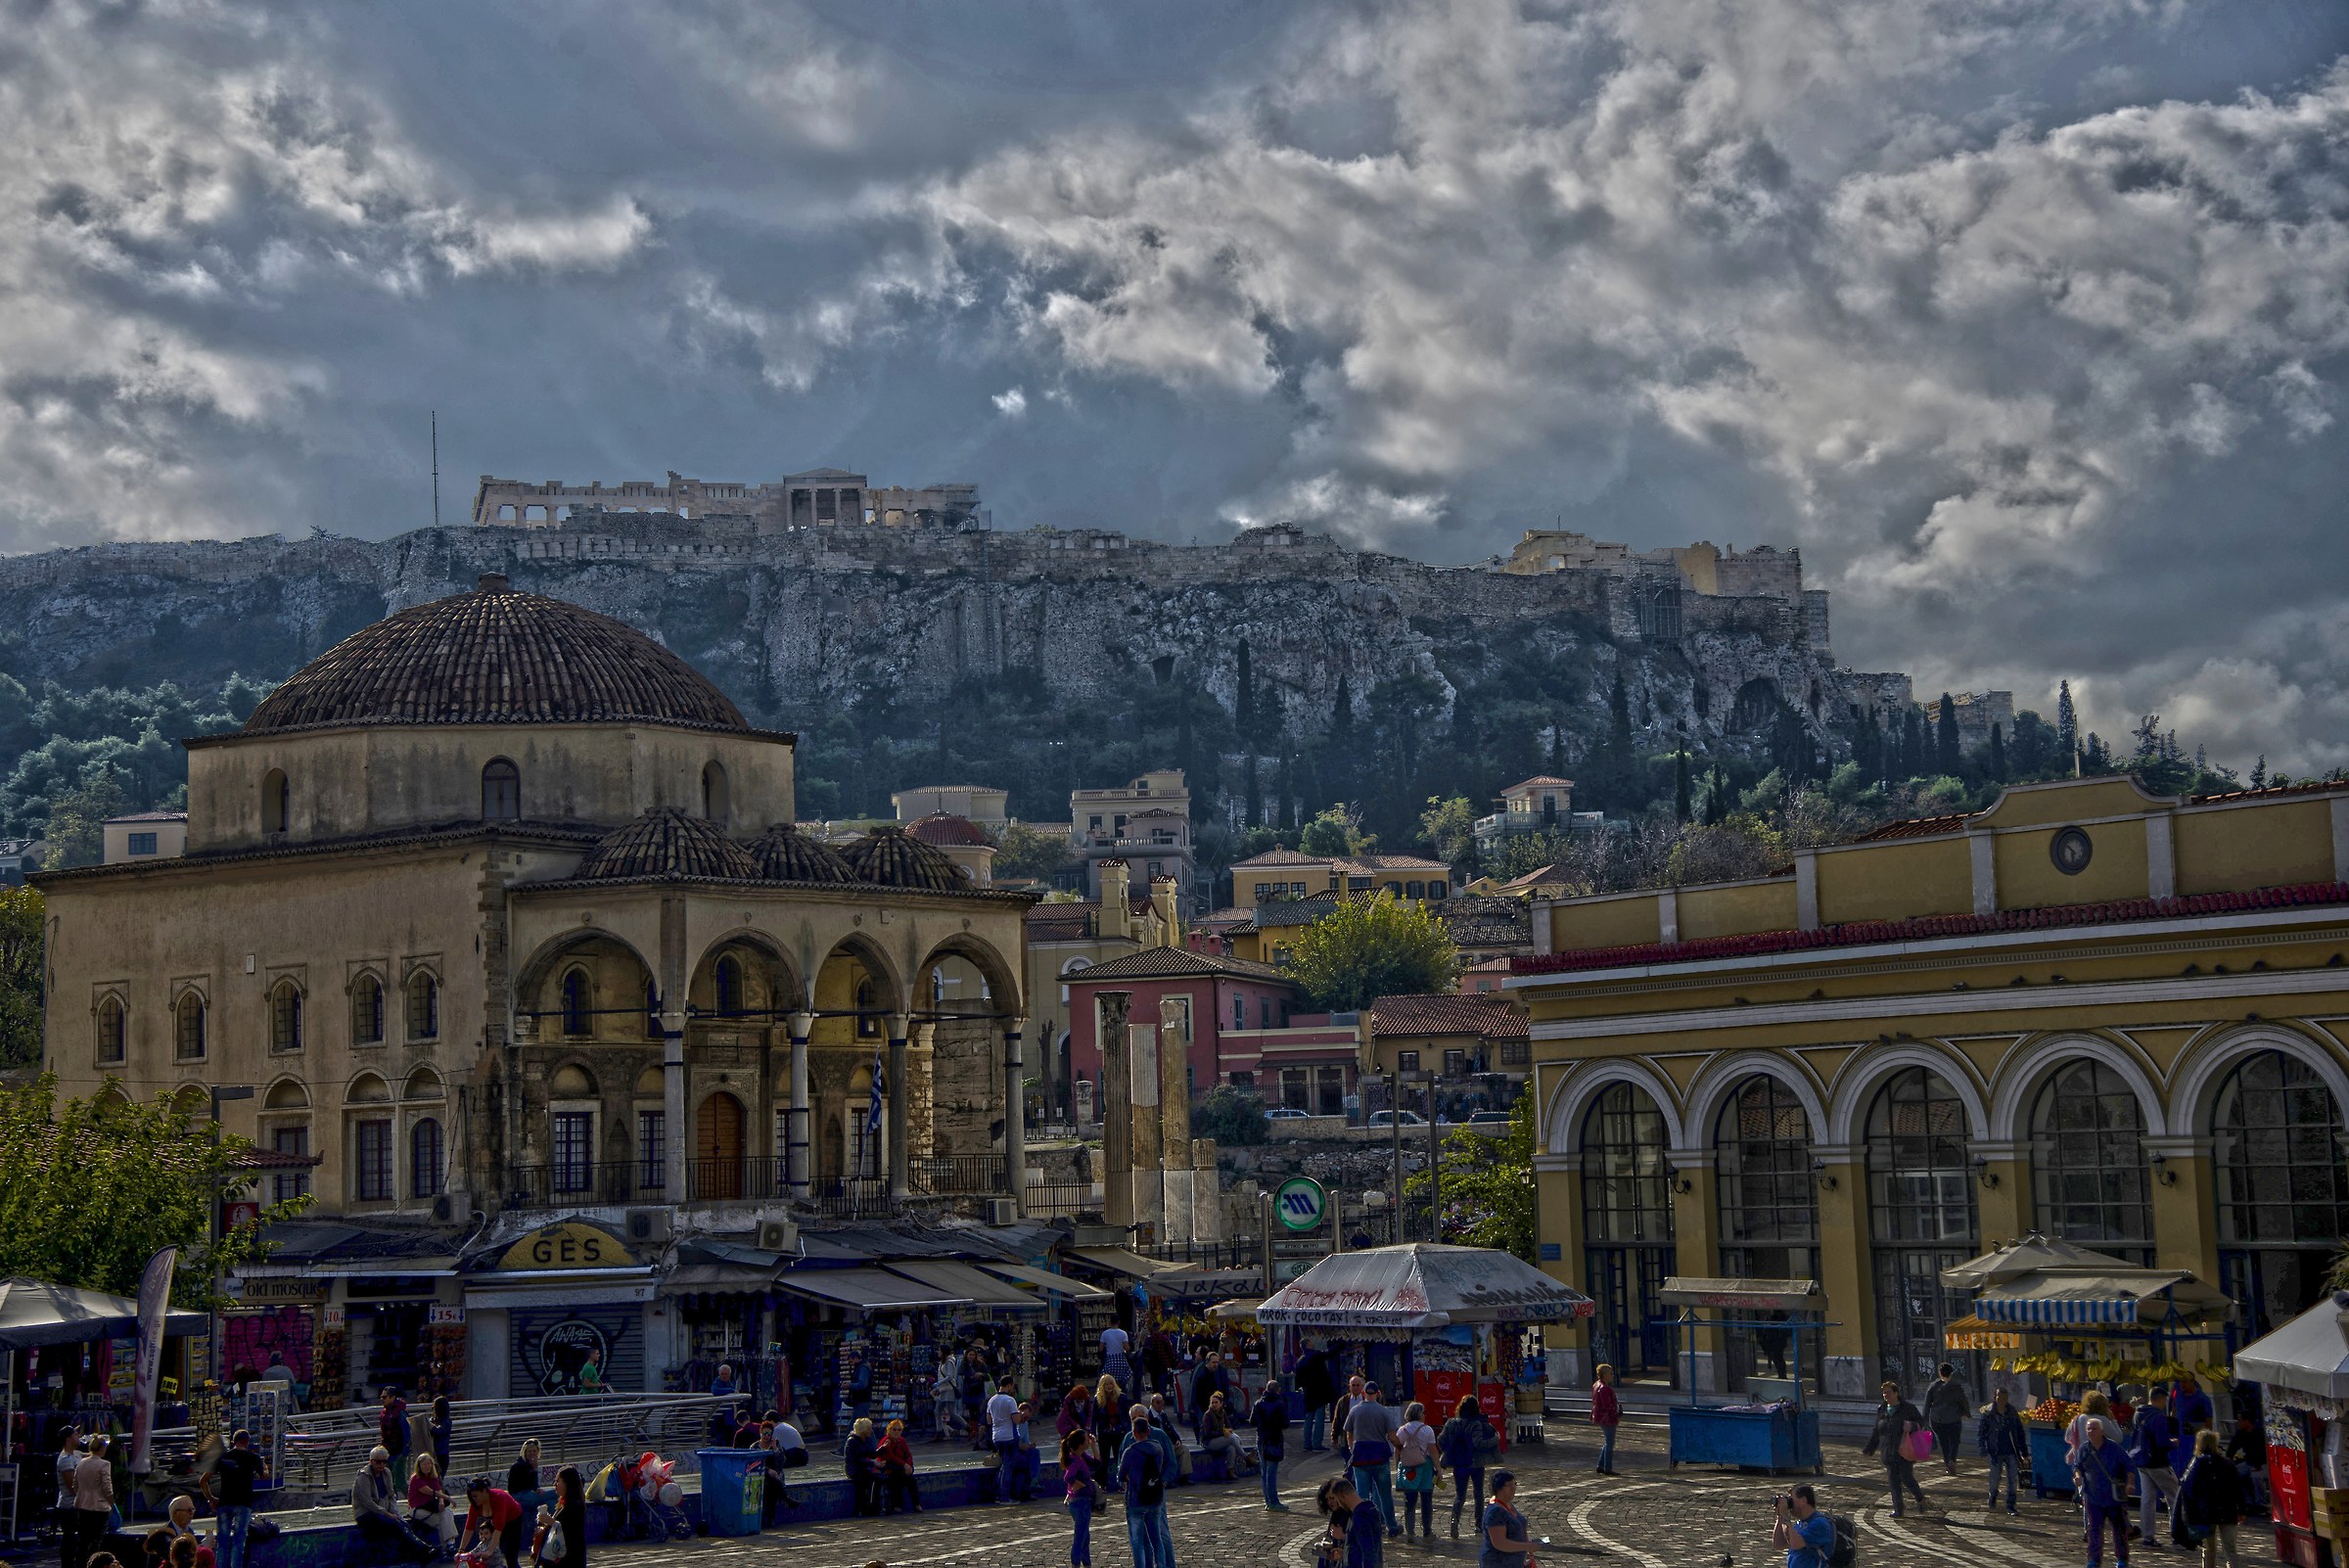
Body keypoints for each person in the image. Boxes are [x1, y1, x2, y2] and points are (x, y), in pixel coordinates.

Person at [351, 1447, 435, 1563]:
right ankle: (421, 1547)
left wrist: (394, 1512)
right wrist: (387, 1514)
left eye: (384, 1462)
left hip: (384, 1512)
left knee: (402, 1523)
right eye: (378, 1462)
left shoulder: (386, 1473)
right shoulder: (363, 1476)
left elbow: (391, 1495)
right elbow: (367, 1502)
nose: (381, 1465)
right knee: (394, 1524)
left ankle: (420, 1551)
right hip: (366, 1513)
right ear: (371, 1461)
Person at [1861, 1380, 1931, 1516]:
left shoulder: (1908, 1408)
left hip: (1905, 1450)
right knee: (1893, 1482)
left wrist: (1912, 1425)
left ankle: (1920, 1499)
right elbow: (1877, 1430)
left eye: (1888, 1392)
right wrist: (1869, 1448)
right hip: (1888, 1451)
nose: (1885, 1395)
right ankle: (1898, 1509)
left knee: (1906, 1477)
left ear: (1896, 1393)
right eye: (1883, 1393)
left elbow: (1921, 1423)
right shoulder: (1882, 1409)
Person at [2074, 1415, 2137, 1567]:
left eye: (2094, 1428)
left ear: (2102, 1431)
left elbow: (2129, 1465)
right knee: (2094, 1529)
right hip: (2093, 1496)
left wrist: (2130, 1483)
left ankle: (2122, 1559)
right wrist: (2077, 1477)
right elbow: (2077, 1467)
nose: (2090, 1431)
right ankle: (2093, 1560)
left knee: (2119, 1530)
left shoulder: (2114, 1448)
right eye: (2088, 1428)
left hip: (2113, 1497)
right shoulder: (2084, 1448)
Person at [2179, 1427, 2245, 1567]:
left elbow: (2188, 1487)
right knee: (2230, 1550)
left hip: (2206, 1512)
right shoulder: (2227, 1463)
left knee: (2209, 1550)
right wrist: (2242, 1510)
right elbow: (2238, 1488)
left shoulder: (2197, 1463)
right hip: (2228, 1510)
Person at [1118, 1410, 1175, 1568]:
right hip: (1154, 1496)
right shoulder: (1157, 1447)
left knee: (1138, 1540)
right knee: (1156, 1536)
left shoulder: (1131, 1450)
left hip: (1136, 1499)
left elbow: (1120, 1475)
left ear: (1135, 1431)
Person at [204, 1428, 266, 1568]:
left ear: (233, 1442)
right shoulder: (253, 1458)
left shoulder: (223, 1458)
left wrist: (211, 1498)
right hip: (244, 1504)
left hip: (224, 1503)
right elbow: (264, 1477)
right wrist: (265, 1468)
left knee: (222, 1542)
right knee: (239, 1541)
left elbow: (203, 1480)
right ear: (248, 1442)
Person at [1345, 1378, 1400, 1539]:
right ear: (1377, 1394)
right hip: (1379, 1455)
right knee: (1384, 1495)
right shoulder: (1384, 1411)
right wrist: (1400, 1447)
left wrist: (1351, 1448)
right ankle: (1391, 1525)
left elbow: (1349, 1433)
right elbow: (1392, 1436)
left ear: (1363, 1393)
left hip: (1360, 1455)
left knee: (1362, 1495)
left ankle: (1364, 1525)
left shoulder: (1355, 1411)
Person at [1437, 1395, 1496, 1540]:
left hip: (1459, 1463)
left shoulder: (1451, 1423)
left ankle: (1454, 1520)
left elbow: (1441, 1440)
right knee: (1478, 1493)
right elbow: (1479, 1443)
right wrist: (1495, 1439)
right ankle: (1478, 1524)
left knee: (1460, 1495)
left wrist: (1449, 1451)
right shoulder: (1476, 1424)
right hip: (1475, 1463)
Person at [2129, 1385, 2178, 1554]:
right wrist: (2173, 1443)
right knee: (2174, 1496)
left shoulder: (2138, 1413)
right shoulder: (2158, 1417)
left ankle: (2148, 1536)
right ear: (2160, 1399)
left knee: (2147, 1499)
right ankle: (2177, 1534)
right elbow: (2162, 1442)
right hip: (2158, 1462)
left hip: (2141, 1461)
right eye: (2164, 1400)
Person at [1977, 1387, 2027, 1516]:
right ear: (1995, 1397)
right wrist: (1982, 1448)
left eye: (2004, 1398)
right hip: (1995, 1451)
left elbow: (2020, 1432)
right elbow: (1981, 1433)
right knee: (1995, 1477)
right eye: (1999, 1398)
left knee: (2012, 1479)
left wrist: (2024, 1452)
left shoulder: (2011, 1412)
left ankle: (2011, 1505)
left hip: (2011, 1450)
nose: (2002, 1401)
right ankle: (1992, 1495)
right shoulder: (1988, 1413)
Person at [459, 1475, 527, 1568]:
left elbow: (499, 1527)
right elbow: (469, 1527)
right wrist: (461, 1551)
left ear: (484, 1491)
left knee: (511, 1556)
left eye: (475, 1496)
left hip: (514, 1520)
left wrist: (490, 1550)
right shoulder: (476, 1504)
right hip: (497, 1522)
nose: (474, 1499)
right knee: (501, 1549)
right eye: (472, 1497)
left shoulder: (499, 1498)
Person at [1393, 1402, 1437, 1543]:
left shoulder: (1402, 1430)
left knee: (1409, 1501)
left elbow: (1397, 1450)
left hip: (1408, 1468)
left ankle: (1410, 1532)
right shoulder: (1427, 1430)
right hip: (1425, 1467)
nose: (1425, 1415)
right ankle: (1427, 1532)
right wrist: (1439, 1469)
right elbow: (1433, 1451)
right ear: (1419, 1414)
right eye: (1424, 1412)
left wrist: (1397, 1466)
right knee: (1426, 1501)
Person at [69, 1434, 115, 1568]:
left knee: (82, 1541)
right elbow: (107, 1488)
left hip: (82, 1505)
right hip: (99, 1507)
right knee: (96, 1541)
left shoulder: (82, 1462)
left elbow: (75, 1485)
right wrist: (111, 1503)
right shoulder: (104, 1464)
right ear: (102, 1448)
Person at [1320, 1474, 1384, 1568]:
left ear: (1342, 1496)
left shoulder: (1360, 1518)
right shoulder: (1369, 1511)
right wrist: (1345, 1554)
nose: (1340, 1506)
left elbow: (1368, 1553)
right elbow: (1358, 1548)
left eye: (1337, 1500)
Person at [1061, 1429, 1103, 1568]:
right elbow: (1068, 1477)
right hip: (1080, 1502)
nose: (1088, 1440)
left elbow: (1097, 1464)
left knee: (1085, 1536)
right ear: (1080, 1444)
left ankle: (1087, 1563)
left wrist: (1093, 1445)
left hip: (1082, 1501)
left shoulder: (1081, 1456)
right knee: (1080, 1536)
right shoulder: (1075, 1460)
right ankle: (1075, 1563)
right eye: (1086, 1439)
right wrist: (1080, 1484)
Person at [1772, 1484, 1836, 1568]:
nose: (1789, 1503)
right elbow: (1778, 1544)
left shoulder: (1819, 1523)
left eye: (1791, 1499)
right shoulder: (1800, 1524)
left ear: (1803, 1500)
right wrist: (1780, 1517)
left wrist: (1785, 1515)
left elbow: (1796, 1544)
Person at [1480, 1469, 1534, 1568]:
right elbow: (1500, 1543)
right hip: (1498, 1563)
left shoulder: (1508, 1504)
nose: (1513, 1488)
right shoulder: (1495, 1512)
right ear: (1499, 1488)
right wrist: (1526, 1546)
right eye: (1509, 1485)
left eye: (1514, 1484)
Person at [1252, 1377, 1292, 1512]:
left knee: (1264, 1472)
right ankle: (1273, 1501)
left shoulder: (1258, 1403)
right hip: (1274, 1440)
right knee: (1271, 1472)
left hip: (1261, 1439)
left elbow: (1252, 1422)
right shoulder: (1279, 1404)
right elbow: (1286, 1423)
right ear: (1278, 1390)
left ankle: (1268, 1500)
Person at [1924, 1362, 1970, 1477]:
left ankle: (1947, 1464)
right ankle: (1952, 1461)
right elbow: (1963, 1400)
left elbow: (1927, 1404)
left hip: (1937, 1419)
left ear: (1940, 1373)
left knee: (1944, 1442)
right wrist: (1966, 1413)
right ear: (1951, 1373)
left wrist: (1924, 1419)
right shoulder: (1956, 1387)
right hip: (1953, 1418)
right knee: (1954, 1441)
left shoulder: (1933, 1386)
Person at [405, 1452, 459, 1550]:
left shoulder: (433, 1476)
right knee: (439, 1521)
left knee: (447, 1513)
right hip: (417, 1508)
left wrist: (441, 1502)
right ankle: (444, 1548)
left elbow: (438, 1490)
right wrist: (448, 1498)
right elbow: (430, 1492)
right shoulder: (416, 1479)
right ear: (419, 1466)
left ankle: (450, 1543)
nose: (427, 1466)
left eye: (429, 1464)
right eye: (424, 1464)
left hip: (430, 1506)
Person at [1294, 1341, 1337, 1453]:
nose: (1313, 1344)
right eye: (1310, 1343)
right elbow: (1329, 1354)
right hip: (1319, 1391)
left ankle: (1306, 1444)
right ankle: (1317, 1443)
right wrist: (1341, 1344)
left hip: (1308, 1392)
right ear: (1308, 1345)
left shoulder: (1300, 1361)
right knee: (1319, 1417)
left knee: (1308, 1418)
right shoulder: (1316, 1355)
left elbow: (1298, 1379)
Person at [988, 1379, 1024, 1501]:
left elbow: (988, 1420)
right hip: (1009, 1436)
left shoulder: (991, 1400)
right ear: (1009, 1386)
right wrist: (1020, 1414)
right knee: (1008, 1466)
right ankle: (1004, 1496)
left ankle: (997, 1493)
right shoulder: (1010, 1400)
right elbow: (1016, 1420)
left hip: (996, 1436)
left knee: (1003, 1465)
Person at [2223, 1412, 2268, 1508]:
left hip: (2263, 1464)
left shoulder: (2260, 1433)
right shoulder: (2241, 1433)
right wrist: (2228, 1462)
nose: (2238, 1422)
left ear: (2246, 1421)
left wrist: (2257, 1466)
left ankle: (2261, 1504)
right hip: (2249, 1462)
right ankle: (2247, 1501)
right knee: (2234, 1474)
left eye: (2240, 1420)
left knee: (2256, 1476)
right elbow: (2232, 1448)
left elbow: (2263, 1453)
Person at [844, 1417, 886, 1518]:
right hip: (854, 1469)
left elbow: (871, 1454)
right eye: (869, 1428)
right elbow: (857, 1459)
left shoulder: (867, 1439)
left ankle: (874, 1506)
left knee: (879, 1477)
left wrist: (881, 1450)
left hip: (864, 1467)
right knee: (866, 1480)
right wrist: (872, 1463)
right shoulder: (852, 1441)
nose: (870, 1430)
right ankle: (864, 1508)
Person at [2172, 1375, 2215, 1473]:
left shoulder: (2202, 1398)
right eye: (2180, 1382)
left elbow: (2208, 1422)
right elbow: (2174, 1410)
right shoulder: (2179, 1396)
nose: (2182, 1384)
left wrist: (2206, 1441)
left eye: (2185, 1382)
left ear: (2192, 1382)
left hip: (2195, 1439)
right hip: (2180, 1440)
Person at [1200, 1392, 1248, 1478]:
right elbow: (1208, 1433)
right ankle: (1246, 1457)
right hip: (1209, 1442)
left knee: (1231, 1448)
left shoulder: (1223, 1413)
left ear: (1221, 1404)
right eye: (1212, 1402)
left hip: (1220, 1440)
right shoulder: (1207, 1415)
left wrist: (1229, 1430)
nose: (1214, 1404)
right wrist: (1222, 1433)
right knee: (1232, 1439)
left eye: (1216, 1402)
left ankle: (1230, 1470)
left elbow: (1228, 1425)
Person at [879, 1418, 921, 1514]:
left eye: (899, 1430)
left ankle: (916, 1504)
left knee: (911, 1480)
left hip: (902, 1467)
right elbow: (890, 1457)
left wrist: (909, 1465)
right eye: (894, 1429)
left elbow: (908, 1454)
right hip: (889, 1467)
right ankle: (897, 1505)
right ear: (889, 1430)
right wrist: (904, 1465)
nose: (897, 1432)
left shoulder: (901, 1441)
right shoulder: (886, 1441)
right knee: (897, 1478)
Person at [1188, 1355, 1232, 1442]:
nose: (1215, 1364)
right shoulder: (1201, 1375)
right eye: (1213, 1362)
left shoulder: (1219, 1372)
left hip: (1214, 1406)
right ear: (1207, 1363)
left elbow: (1224, 1387)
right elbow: (1197, 1393)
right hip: (1204, 1407)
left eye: (1217, 1362)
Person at [507, 1438, 554, 1517]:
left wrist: (537, 1489)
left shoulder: (529, 1465)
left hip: (528, 1494)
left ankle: (553, 1525)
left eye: (534, 1451)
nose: (532, 1453)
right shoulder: (519, 1465)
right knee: (555, 1492)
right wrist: (534, 1470)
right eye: (529, 1451)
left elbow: (534, 1487)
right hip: (520, 1497)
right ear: (524, 1452)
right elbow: (529, 1486)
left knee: (552, 1502)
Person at [550, 1465, 585, 1568]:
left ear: (568, 1483)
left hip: (571, 1557)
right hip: (562, 1554)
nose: (555, 1484)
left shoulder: (574, 1505)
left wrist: (550, 1522)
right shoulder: (563, 1502)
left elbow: (568, 1529)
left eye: (558, 1481)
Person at [1590, 1362, 1622, 1476]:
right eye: (1611, 1373)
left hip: (1602, 1417)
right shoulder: (1604, 1388)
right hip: (1607, 1418)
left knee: (1608, 1442)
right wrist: (1616, 1411)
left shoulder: (1597, 1385)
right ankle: (1607, 1467)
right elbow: (1607, 1406)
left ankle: (1601, 1465)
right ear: (1605, 1375)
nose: (1613, 1375)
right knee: (1610, 1442)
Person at [379, 1387, 413, 1488]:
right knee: (389, 1483)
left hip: (398, 1452)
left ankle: (415, 1501)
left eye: (384, 1397)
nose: (382, 1399)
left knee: (400, 1482)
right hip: (388, 1452)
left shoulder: (400, 1413)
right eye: (382, 1397)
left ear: (392, 1397)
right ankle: (392, 1502)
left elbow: (407, 1433)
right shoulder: (385, 1413)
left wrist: (404, 1452)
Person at [1093, 1375, 1128, 1468]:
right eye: (1106, 1384)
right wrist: (1093, 1434)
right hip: (1104, 1432)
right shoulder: (1097, 1399)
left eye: (1111, 1383)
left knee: (1119, 1459)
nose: (1109, 1386)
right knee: (1104, 1461)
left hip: (1119, 1432)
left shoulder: (1122, 1397)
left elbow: (1126, 1416)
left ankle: (1121, 1481)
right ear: (1102, 1386)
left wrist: (1127, 1431)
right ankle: (1103, 1482)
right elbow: (1094, 1418)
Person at [1101, 1321, 1134, 1394]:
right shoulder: (1123, 1333)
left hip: (1110, 1362)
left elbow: (1100, 1349)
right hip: (1121, 1362)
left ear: (1110, 1322)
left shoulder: (1105, 1333)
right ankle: (1122, 1397)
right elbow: (1127, 1348)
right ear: (1119, 1323)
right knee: (1122, 1384)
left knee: (1109, 1381)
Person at [429, 1397, 454, 1480]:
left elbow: (438, 1431)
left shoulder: (447, 1421)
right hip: (432, 1454)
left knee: (438, 1480)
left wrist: (428, 1424)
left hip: (441, 1455)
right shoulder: (433, 1420)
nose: (433, 1410)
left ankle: (441, 1493)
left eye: (434, 1408)